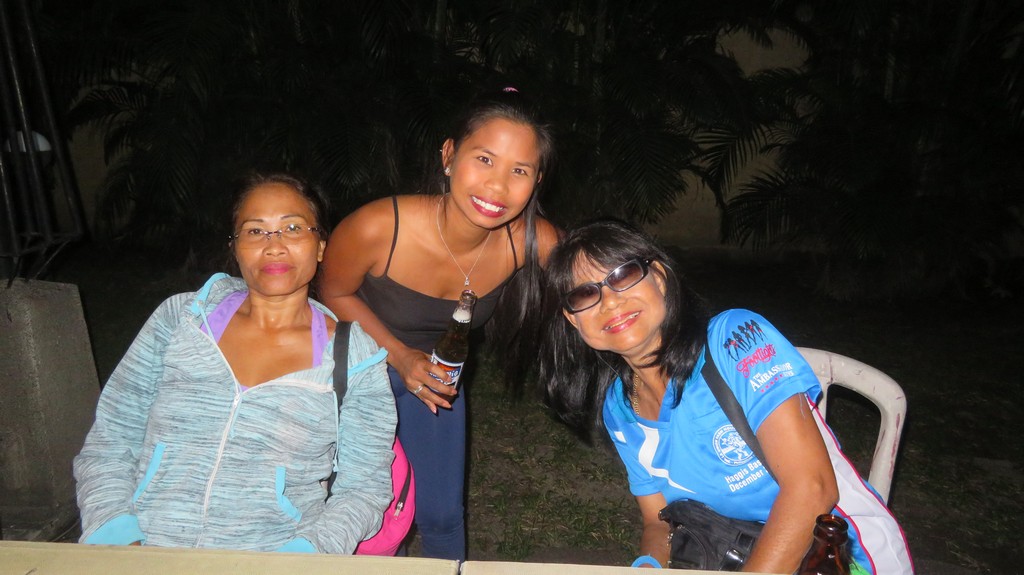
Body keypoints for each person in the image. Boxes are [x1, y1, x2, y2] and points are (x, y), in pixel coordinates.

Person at [538, 219, 913, 574]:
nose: (609, 301)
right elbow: (657, 520)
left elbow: (812, 488)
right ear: (573, 319)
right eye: (585, 293)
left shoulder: (734, 340)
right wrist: (649, 565)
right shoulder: (620, 409)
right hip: (733, 555)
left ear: (661, 279)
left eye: (623, 275)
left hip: (838, 557)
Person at [73, 173, 396, 554]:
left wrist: (301, 557)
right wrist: (117, 536)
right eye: (255, 231)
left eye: (293, 228)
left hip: (272, 558)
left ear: (321, 246)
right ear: (236, 248)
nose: (274, 246)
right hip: (143, 549)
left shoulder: (354, 358)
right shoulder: (180, 320)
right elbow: (112, 439)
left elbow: (363, 488)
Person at [318, 87, 560, 560]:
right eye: (484, 159)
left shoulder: (529, 240)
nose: (497, 187)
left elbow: (597, 281)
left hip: (435, 379)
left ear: (537, 181)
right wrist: (399, 356)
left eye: (519, 171)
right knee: (354, 512)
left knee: (444, 516)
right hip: (351, 372)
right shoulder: (379, 226)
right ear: (449, 155)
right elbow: (333, 292)